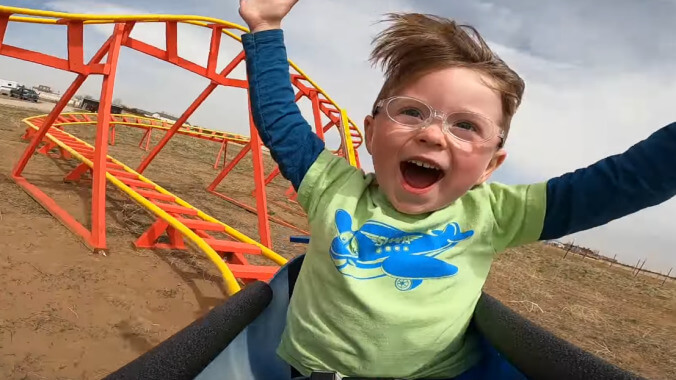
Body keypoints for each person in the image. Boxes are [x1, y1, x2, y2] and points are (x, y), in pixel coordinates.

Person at [237, 0, 676, 378]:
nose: (432, 135)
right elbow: (282, 122)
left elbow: (620, 183)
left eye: (466, 125)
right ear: (370, 135)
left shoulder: (495, 214)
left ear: (490, 165)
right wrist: (265, 26)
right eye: (410, 112)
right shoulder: (333, 188)